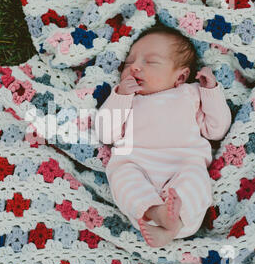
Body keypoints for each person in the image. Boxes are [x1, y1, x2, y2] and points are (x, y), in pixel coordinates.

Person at [94, 25, 232, 247]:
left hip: (183, 165)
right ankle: (156, 212)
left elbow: (217, 129)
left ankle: (174, 221)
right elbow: (105, 133)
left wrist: (211, 91)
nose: (135, 68)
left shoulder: (190, 94)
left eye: (150, 62)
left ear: (180, 77)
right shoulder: (125, 99)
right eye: (129, 63)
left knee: (196, 179)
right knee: (122, 176)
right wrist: (120, 96)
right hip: (137, 165)